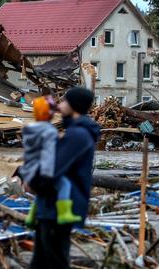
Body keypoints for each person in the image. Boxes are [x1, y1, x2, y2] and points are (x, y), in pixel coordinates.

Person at [27, 87, 100, 269]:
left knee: (54, 261)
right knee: (41, 262)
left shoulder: (78, 135)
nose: (59, 105)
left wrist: (32, 182)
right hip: (51, 207)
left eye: (64, 101)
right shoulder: (75, 132)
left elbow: (54, 168)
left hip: (58, 210)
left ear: (74, 105)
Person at [20, 96, 81, 227]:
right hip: (43, 171)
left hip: (30, 171)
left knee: (41, 193)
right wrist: (48, 174)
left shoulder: (29, 130)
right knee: (64, 184)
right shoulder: (49, 131)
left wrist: (26, 175)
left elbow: (27, 155)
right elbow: (48, 153)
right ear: (49, 113)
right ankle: (64, 213)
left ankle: (31, 217)